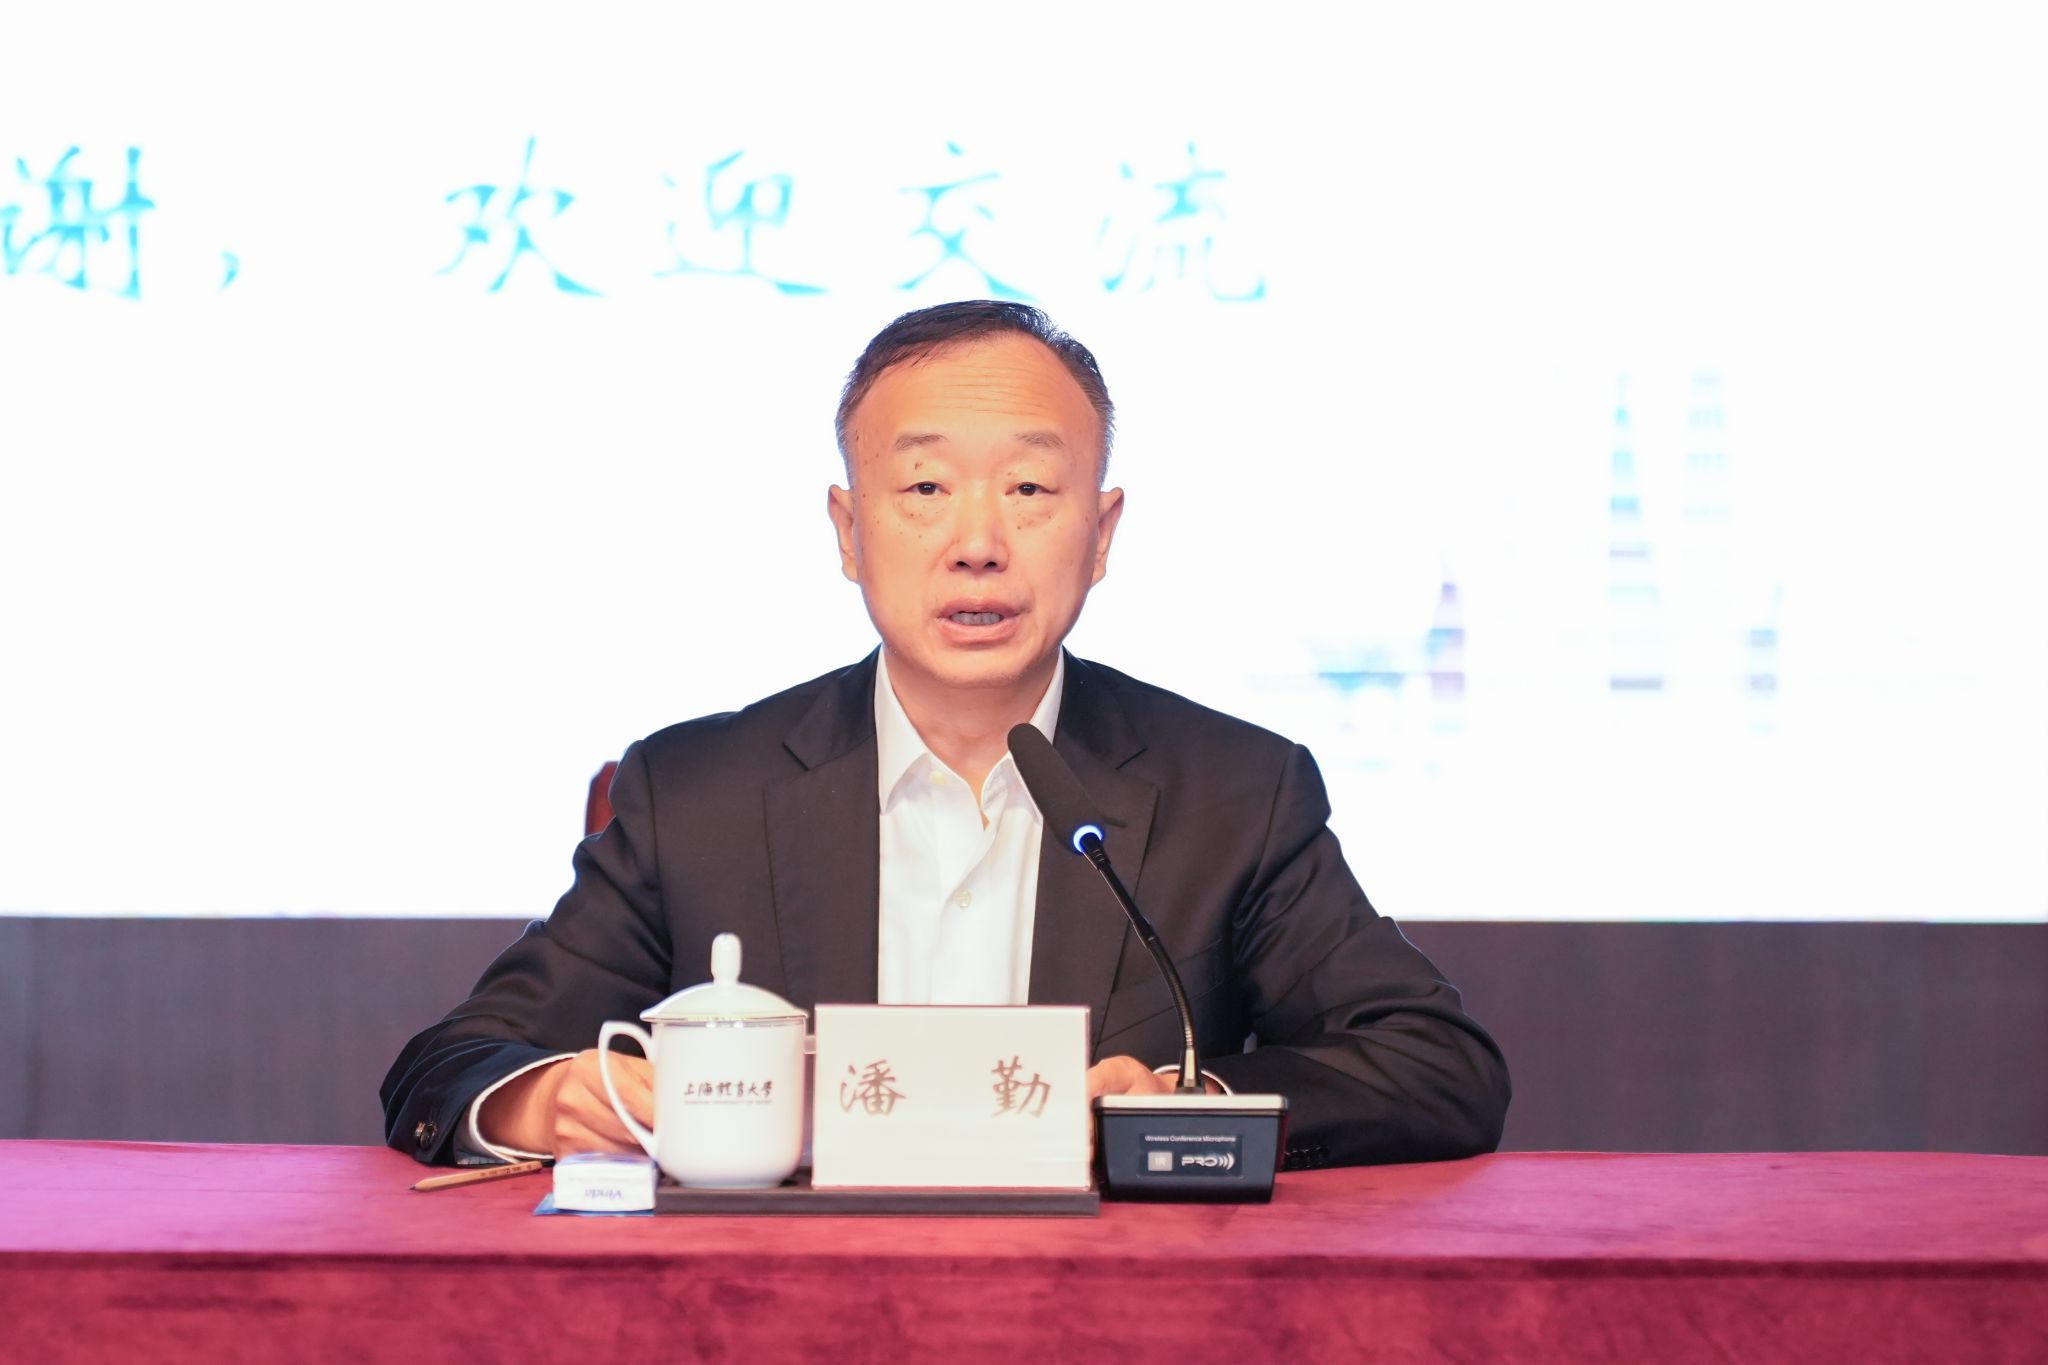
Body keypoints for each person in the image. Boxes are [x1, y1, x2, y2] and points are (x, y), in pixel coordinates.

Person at [382, 300, 1509, 1169]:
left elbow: (1436, 1066)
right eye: (923, 487)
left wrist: (1185, 1103)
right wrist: (557, 1098)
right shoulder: (697, 794)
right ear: (848, 529)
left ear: (1101, 532)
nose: (977, 542)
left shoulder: (1232, 792)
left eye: (1029, 488)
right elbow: (453, 1066)